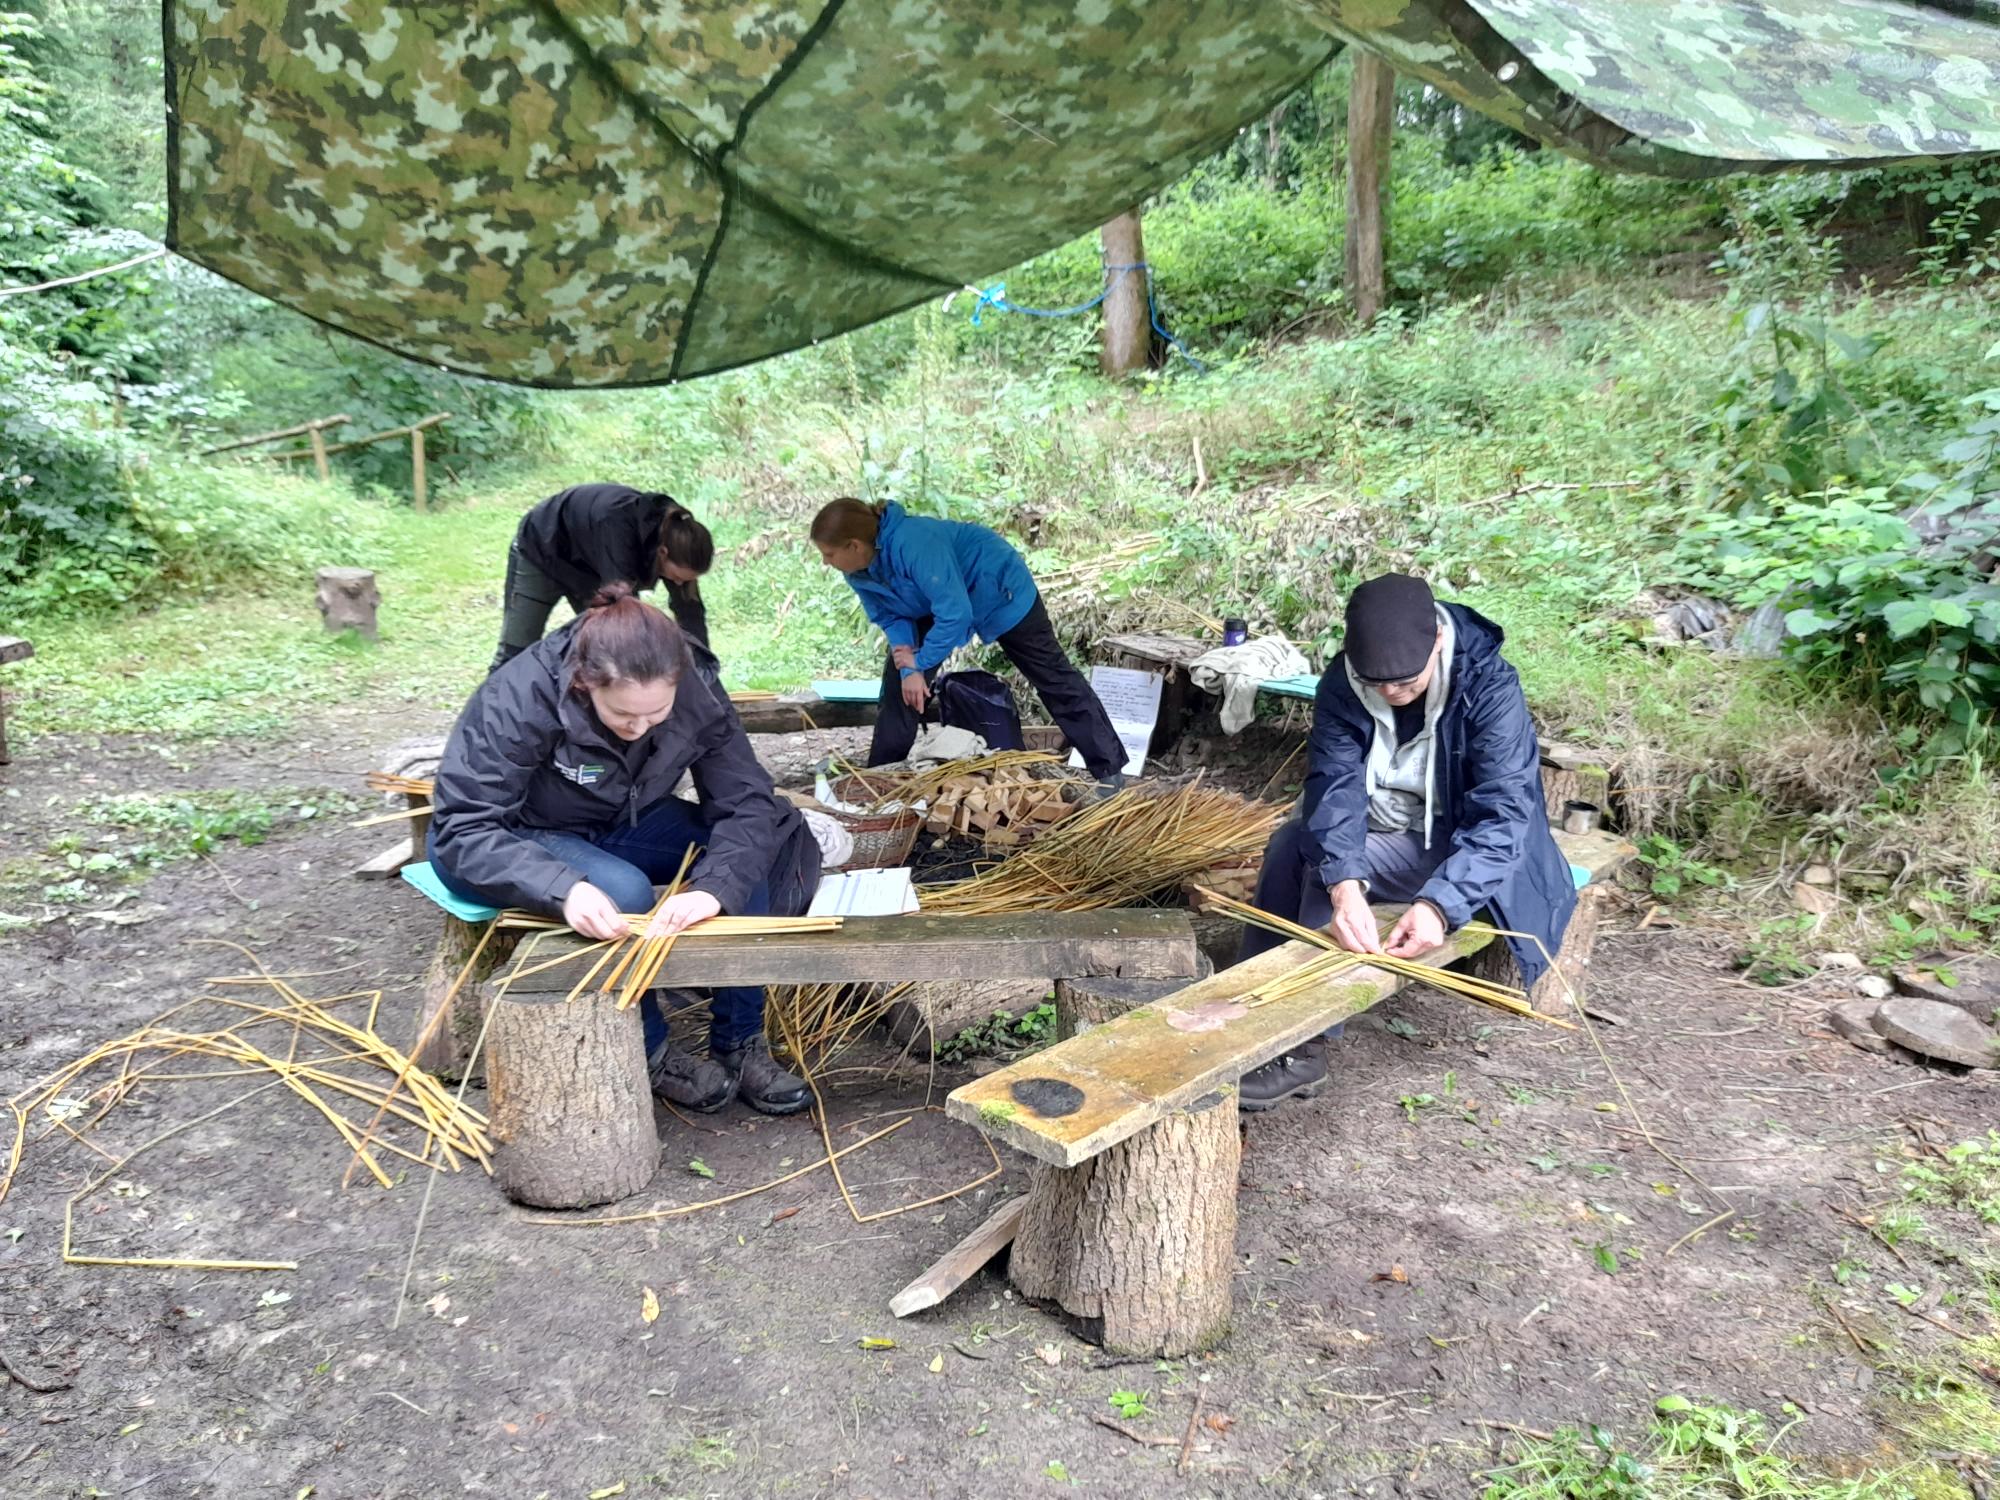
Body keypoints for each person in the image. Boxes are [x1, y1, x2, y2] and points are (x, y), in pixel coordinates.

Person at [432, 583, 818, 1115]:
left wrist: (712, 890)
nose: (640, 729)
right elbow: (461, 828)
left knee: (760, 839)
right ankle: (653, 1047)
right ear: (585, 684)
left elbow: (746, 802)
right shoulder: (519, 695)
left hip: (623, 819)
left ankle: (740, 1039)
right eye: (623, 717)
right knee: (622, 890)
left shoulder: (695, 687)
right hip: (527, 832)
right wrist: (561, 887)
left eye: (656, 715)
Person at [1236, 573, 1577, 1113]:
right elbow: (1334, 787)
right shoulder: (1344, 682)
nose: (1391, 694)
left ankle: (1303, 1048)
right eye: (1376, 683)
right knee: (1293, 846)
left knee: (1317, 882)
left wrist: (1440, 905)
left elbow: (1503, 815)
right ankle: (1247, 1005)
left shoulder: (1489, 687)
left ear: (1437, 640)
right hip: (1390, 825)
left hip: (1463, 846)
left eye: (1406, 682)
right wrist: (1346, 883)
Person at [809, 497, 1126, 780]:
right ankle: (879, 783)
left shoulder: (914, 543)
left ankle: (1109, 771)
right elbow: (892, 615)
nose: (824, 563)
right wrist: (910, 671)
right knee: (900, 690)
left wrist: (922, 660)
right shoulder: (857, 571)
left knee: (1053, 678)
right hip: (936, 601)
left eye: (828, 554)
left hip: (999, 589)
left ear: (854, 545)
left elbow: (956, 613)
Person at [492, 483, 715, 672]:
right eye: (676, 577)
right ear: (662, 553)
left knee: (608, 655)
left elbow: (690, 612)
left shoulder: (675, 537)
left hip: (590, 565)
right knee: (517, 650)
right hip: (541, 548)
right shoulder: (618, 531)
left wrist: (703, 671)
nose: (678, 584)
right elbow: (623, 612)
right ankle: (492, 714)